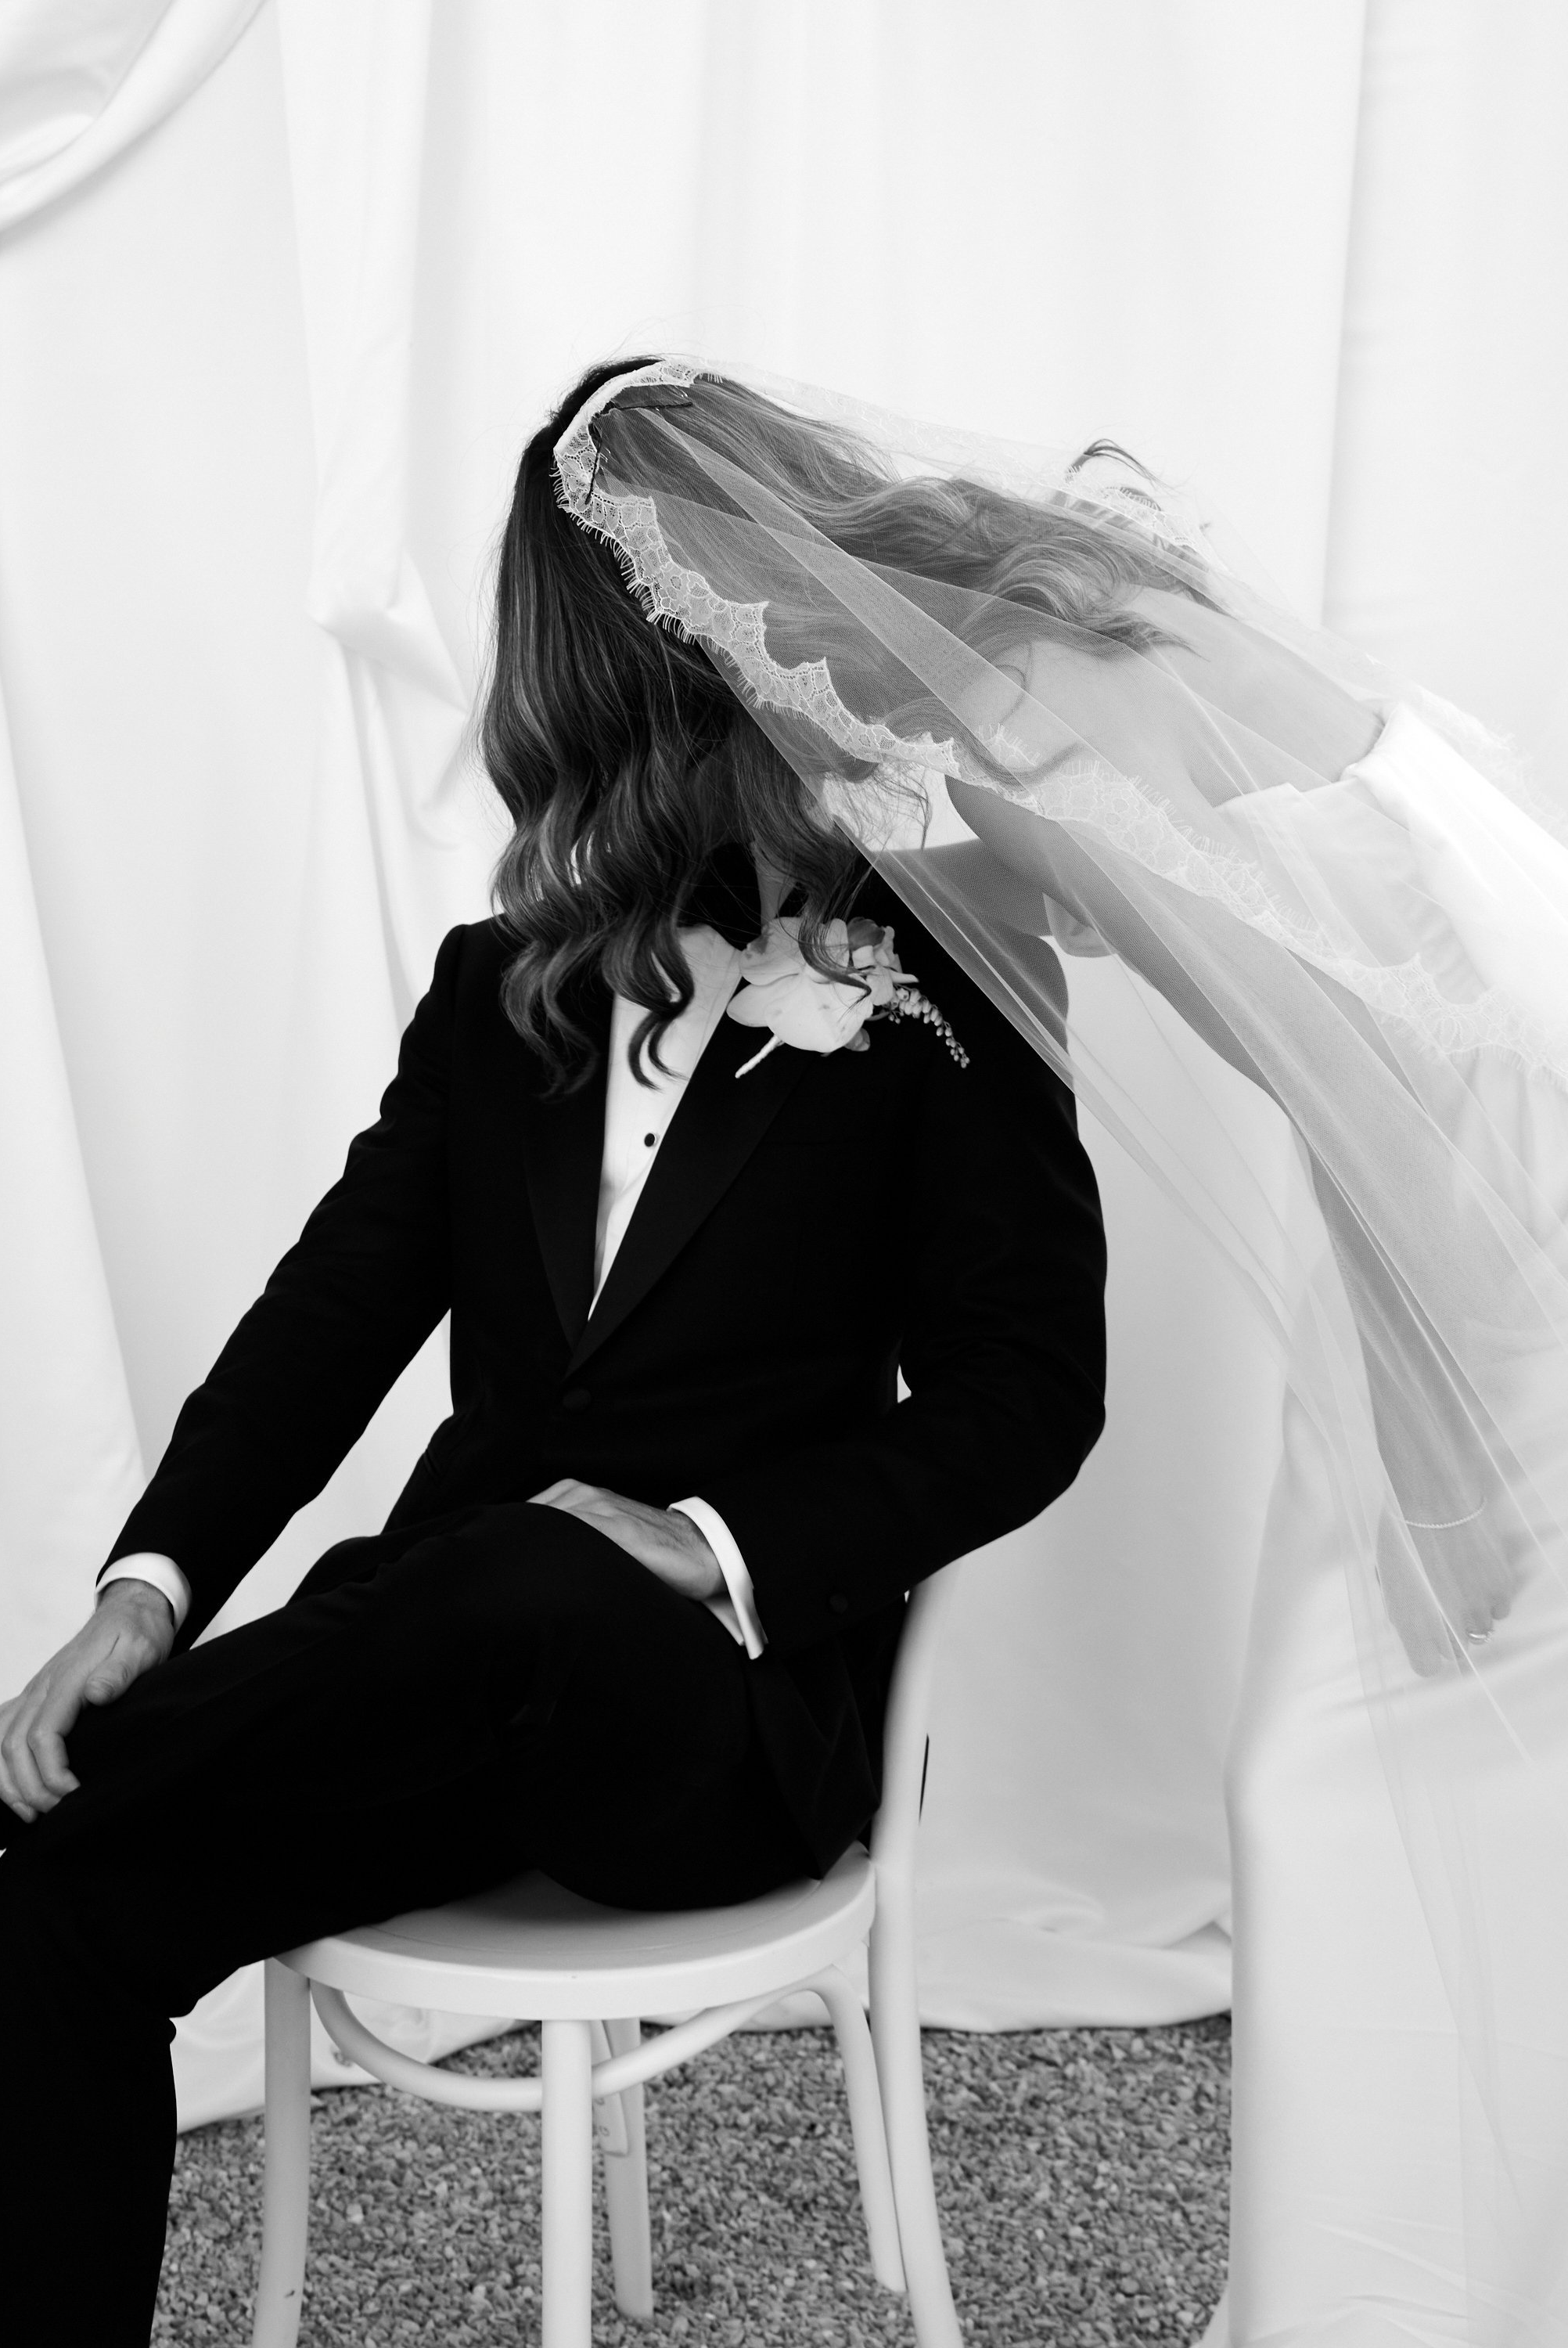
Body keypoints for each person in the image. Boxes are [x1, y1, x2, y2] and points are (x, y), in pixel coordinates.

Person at [0, 359, 1109, 2346]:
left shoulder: (946, 979)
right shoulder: (504, 990)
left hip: (718, 1730)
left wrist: (707, 1537)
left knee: (546, 1553)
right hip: (437, 1686)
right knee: (53, 1929)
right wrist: (146, 1594)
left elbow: (1030, 1395)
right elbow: (325, 1325)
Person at [534, 361, 1568, 2341]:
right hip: (1501, 1135)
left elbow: (1341, 1068)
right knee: (1437, 1794)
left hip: (1492, 1227)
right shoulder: (1054, 600)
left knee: (1339, 1783)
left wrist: (1446, 1453)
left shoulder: (1003, 730)